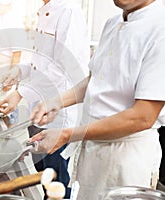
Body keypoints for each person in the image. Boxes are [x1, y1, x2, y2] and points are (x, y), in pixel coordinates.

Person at [28, 0, 165, 199]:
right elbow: (97, 79)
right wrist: (56, 102)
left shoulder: (160, 28)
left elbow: (143, 117)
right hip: (92, 148)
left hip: (126, 158)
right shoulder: (112, 23)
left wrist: (67, 134)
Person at [0, 0, 90, 198]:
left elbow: (61, 70)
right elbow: (42, 60)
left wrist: (21, 93)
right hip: (40, 111)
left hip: (59, 116)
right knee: (43, 175)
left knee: (56, 182)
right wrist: (20, 71)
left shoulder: (68, 10)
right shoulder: (45, 9)